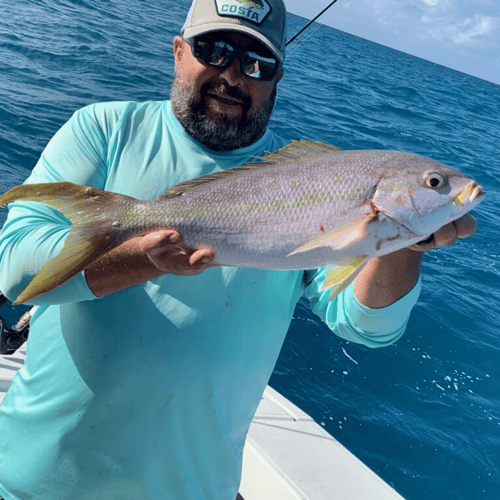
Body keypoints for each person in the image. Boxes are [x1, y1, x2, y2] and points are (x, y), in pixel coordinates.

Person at [0, 0, 476, 499]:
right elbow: (16, 271)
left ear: (276, 79)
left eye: (256, 63)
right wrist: (140, 258)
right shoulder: (104, 130)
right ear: (179, 51)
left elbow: (364, 326)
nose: (233, 75)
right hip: (38, 481)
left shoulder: (302, 176)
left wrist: (404, 243)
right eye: (215, 50)